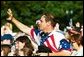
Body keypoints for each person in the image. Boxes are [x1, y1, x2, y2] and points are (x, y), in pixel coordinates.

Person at [7, 8, 72, 56]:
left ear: (48, 23)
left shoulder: (59, 36)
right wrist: (13, 19)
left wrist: (48, 55)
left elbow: (67, 53)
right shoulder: (39, 34)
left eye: (41, 21)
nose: (39, 23)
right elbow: (25, 29)